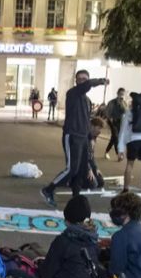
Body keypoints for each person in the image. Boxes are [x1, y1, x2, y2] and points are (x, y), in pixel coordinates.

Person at [40, 70, 109, 206]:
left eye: (85, 78)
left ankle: (76, 197)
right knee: (72, 169)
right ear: (76, 81)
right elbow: (87, 85)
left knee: (81, 169)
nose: (83, 81)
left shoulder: (87, 101)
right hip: (72, 135)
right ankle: (48, 190)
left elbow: (86, 121)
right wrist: (101, 81)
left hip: (83, 137)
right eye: (80, 79)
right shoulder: (72, 93)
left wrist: (90, 139)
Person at [37, 195, 103, 278]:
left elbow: (47, 273)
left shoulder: (63, 241)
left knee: (17, 274)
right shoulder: (93, 240)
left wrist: (39, 265)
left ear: (68, 219)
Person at [104, 87, 127, 160]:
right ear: (117, 94)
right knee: (116, 136)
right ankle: (119, 154)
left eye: (123, 94)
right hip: (112, 121)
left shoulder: (124, 103)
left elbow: (126, 111)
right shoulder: (112, 102)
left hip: (120, 122)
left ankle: (106, 151)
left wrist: (122, 104)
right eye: (120, 94)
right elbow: (107, 112)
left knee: (113, 138)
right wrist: (110, 119)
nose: (121, 95)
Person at [85, 117, 107, 190]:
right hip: (82, 165)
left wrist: (95, 168)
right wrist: (88, 169)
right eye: (99, 128)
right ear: (92, 126)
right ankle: (72, 181)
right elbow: (83, 156)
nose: (100, 131)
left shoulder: (93, 138)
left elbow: (91, 156)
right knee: (93, 184)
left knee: (100, 182)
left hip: (89, 164)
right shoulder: (85, 137)